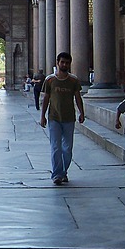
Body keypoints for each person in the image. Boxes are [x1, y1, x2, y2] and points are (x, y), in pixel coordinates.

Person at [39, 52, 85, 185]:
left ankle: (64, 171)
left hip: (69, 118)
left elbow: (77, 97)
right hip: (54, 118)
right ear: (57, 62)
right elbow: (46, 98)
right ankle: (57, 174)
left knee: (67, 148)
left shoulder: (73, 80)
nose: (64, 65)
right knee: (55, 147)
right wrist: (42, 116)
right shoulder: (50, 80)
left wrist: (82, 112)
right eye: (62, 62)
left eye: (67, 62)